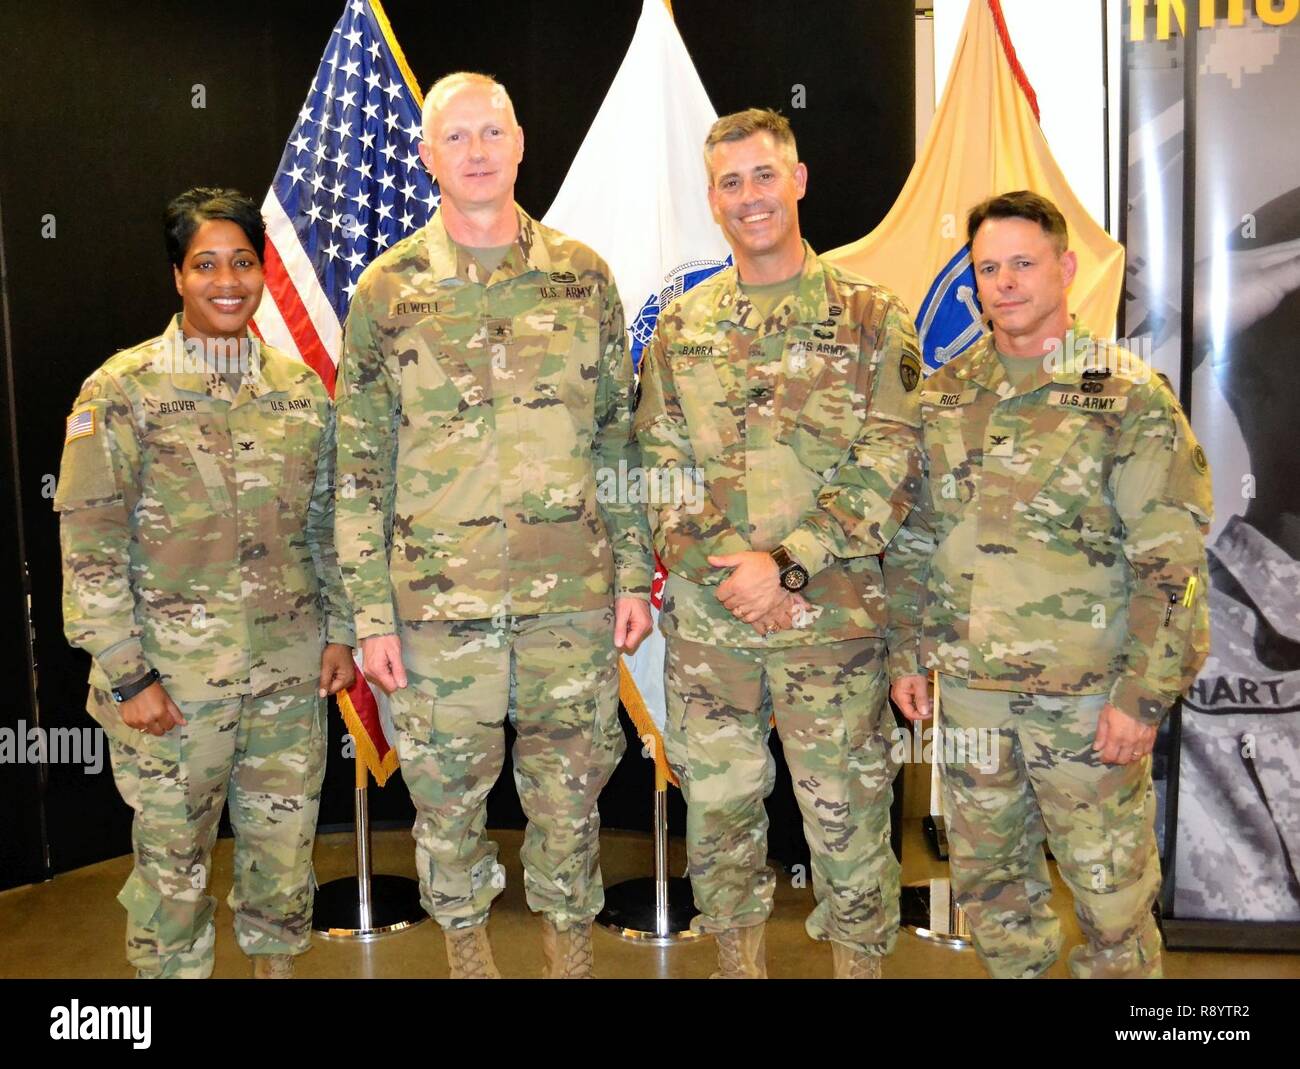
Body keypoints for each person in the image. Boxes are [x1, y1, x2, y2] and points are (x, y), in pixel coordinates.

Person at [334, 71, 654, 979]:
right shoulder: (386, 291)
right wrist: (368, 615)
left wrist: (634, 574)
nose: (476, 152)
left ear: (520, 144)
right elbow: (357, 468)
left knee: (569, 800)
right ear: (428, 155)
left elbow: (617, 440)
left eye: (492, 132)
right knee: (446, 803)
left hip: (572, 603)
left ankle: (568, 963)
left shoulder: (582, 276)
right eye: (457, 137)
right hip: (436, 613)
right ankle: (469, 962)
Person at [885, 190, 1212, 978]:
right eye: (988, 268)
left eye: (1022, 263)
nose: (1004, 282)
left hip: (1088, 702)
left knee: (1112, 905)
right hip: (971, 700)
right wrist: (905, 652)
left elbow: (1172, 565)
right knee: (996, 896)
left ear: (1065, 268)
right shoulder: (947, 395)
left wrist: (1142, 697)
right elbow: (915, 536)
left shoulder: (1126, 397)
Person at [635, 108, 923, 979]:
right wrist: (733, 569)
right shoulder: (682, 327)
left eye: (765, 176)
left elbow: (891, 459)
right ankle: (737, 966)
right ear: (713, 200)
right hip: (714, 621)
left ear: (797, 181)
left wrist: (788, 562)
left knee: (847, 818)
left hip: (832, 621)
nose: (750, 197)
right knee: (720, 814)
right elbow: (655, 461)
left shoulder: (873, 318)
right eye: (731, 182)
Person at [55, 187, 356, 979]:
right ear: (178, 277)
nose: (228, 280)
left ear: (262, 270)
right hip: (171, 690)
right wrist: (129, 675)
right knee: (174, 879)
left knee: (284, 865)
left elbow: (328, 523)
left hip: (288, 680)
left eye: (244, 261)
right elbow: (88, 540)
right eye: (206, 263)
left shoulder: (298, 392)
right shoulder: (122, 391)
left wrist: (341, 632)